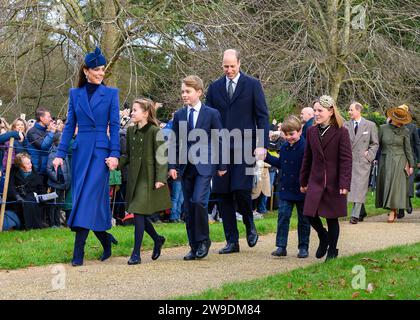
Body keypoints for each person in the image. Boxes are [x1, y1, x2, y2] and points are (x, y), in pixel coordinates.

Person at [52, 47, 120, 266]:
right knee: (86, 198)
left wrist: (115, 154)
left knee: (87, 197)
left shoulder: (111, 94)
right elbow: (70, 124)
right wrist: (60, 154)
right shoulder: (75, 94)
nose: (101, 73)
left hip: (101, 153)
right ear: (86, 71)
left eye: (102, 69)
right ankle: (105, 239)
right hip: (81, 152)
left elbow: (115, 125)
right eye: (96, 69)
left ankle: (78, 251)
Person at [206, 49, 269, 254]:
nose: (229, 70)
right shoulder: (214, 88)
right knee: (223, 194)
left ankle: (250, 224)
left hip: (246, 147)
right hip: (221, 148)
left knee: (241, 189)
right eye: (226, 66)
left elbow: (262, 116)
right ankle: (232, 241)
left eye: (232, 66)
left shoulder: (252, 85)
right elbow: (208, 118)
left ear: (240, 63)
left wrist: (262, 144)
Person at [169, 75, 226, 260]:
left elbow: (220, 139)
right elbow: (174, 142)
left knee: (199, 201)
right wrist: (172, 165)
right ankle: (193, 246)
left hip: (205, 165)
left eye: (188, 91)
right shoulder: (179, 115)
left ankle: (203, 241)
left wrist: (222, 164)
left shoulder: (211, 114)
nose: (184, 95)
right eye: (183, 91)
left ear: (199, 92)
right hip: (186, 167)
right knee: (189, 206)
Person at [300, 95, 352, 261]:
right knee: (308, 213)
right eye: (314, 110)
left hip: (334, 181)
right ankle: (323, 236)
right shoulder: (311, 131)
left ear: (330, 111)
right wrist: (303, 180)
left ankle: (332, 251)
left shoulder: (341, 131)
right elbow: (307, 157)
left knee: (331, 217)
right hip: (315, 179)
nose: (316, 113)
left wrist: (344, 183)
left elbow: (346, 159)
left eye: (320, 110)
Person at [119, 97, 170, 265]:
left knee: (139, 212)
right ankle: (157, 238)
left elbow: (162, 156)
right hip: (134, 177)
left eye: (135, 110)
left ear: (146, 113)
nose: (132, 113)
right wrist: (115, 163)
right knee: (138, 213)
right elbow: (127, 155)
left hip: (148, 178)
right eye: (132, 110)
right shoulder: (131, 131)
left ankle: (136, 253)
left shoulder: (155, 131)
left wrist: (161, 178)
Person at [264, 115, 311, 258]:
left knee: (304, 220)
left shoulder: (306, 147)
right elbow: (281, 164)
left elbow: (310, 166)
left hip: (302, 188)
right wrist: (266, 156)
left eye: (292, 134)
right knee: (283, 216)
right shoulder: (284, 147)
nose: (289, 137)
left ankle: (303, 247)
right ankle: (281, 246)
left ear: (300, 131)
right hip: (286, 188)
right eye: (286, 134)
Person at [375, 106, 415, 223]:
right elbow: (377, 146)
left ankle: (393, 211)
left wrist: (411, 165)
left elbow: (408, 149)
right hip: (385, 160)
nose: (401, 123)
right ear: (393, 118)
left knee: (395, 186)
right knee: (386, 185)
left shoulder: (405, 131)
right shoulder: (382, 128)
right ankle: (392, 209)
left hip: (400, 160)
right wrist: (372, 157)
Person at [344, 102, 379, 224]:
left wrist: (369, 156)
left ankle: (354, 215)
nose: (349, 112)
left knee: (359, 187)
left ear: (358, 111)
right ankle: (361, 212)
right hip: (348, 161)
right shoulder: (345, 125)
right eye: (349, 110)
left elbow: (375, 143)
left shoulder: (370, 125)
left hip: (362, 162)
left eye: (351, 110)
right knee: (351, 187)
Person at [7, 153, 47, 229]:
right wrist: (17, 196)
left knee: (31, 201)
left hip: (33, 197)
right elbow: (10, 187)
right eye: (28, 163)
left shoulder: (34, 174)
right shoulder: (14, 173)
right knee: (26, 202)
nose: (31, 165)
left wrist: (43, 196)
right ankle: (26, 225)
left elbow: (41, 188)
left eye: (30, 162)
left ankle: (35, 225)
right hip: (18, 198)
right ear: (21, 166)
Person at [396, 104, 420, 218]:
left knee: (408, 183)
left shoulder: (412, 127)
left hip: (410, 158)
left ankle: (408, 200)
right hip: (397, 158)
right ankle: (400, 208)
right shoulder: (394, 125)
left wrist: (419, 159)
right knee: (398, 184)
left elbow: (417, 144)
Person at [26, 107, 57, 178]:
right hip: (36, 170)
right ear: (42, 118)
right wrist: (52, 132)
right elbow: (43, 146)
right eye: (48, 117)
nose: (51, 119)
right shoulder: (32, 132)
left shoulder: (46, 131)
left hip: (46, 169)